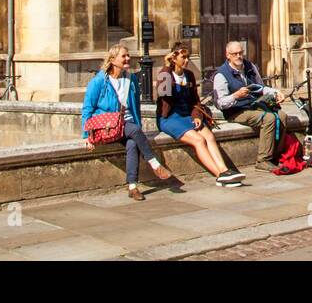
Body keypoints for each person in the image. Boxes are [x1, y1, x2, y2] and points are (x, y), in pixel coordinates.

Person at [81, 45, 176, 201]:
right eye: (124, 56)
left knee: (133, 143)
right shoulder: (98, 81)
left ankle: (132, 187)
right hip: (108, 126)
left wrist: (137, 125)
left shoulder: (130, 79)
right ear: (112, 60)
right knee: (134, 131)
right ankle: (154, 163)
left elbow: (135, 106)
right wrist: (86, 135)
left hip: (127, 125)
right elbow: (87, 108)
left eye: (128, 56)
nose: (128, 59)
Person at [156, 44, 243, 186]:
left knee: (209, 136)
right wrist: (167, 67)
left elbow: (195, 101)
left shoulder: (189, 75)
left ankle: (224, 170)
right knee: (198, 140)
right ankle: (219, 175)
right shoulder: (165, 74)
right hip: (170, 118)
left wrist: (196, 116)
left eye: (188, 57)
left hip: (187, 115)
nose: (186, 61)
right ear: (173, 58)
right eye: (183, 57)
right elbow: (163, 93)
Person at [212, 41, 284, 171]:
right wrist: (235, 96)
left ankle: (276, 156)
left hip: (254, 106)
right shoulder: (221, 75)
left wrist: (276, 93)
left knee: (282, 116)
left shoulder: (250, 66)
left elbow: (261, 87)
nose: (239, 56)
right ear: (228, 55)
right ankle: (263, 160)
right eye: (235, 54)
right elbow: (219, 103)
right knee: (269, 118)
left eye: (241, 53)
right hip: (236, 111)